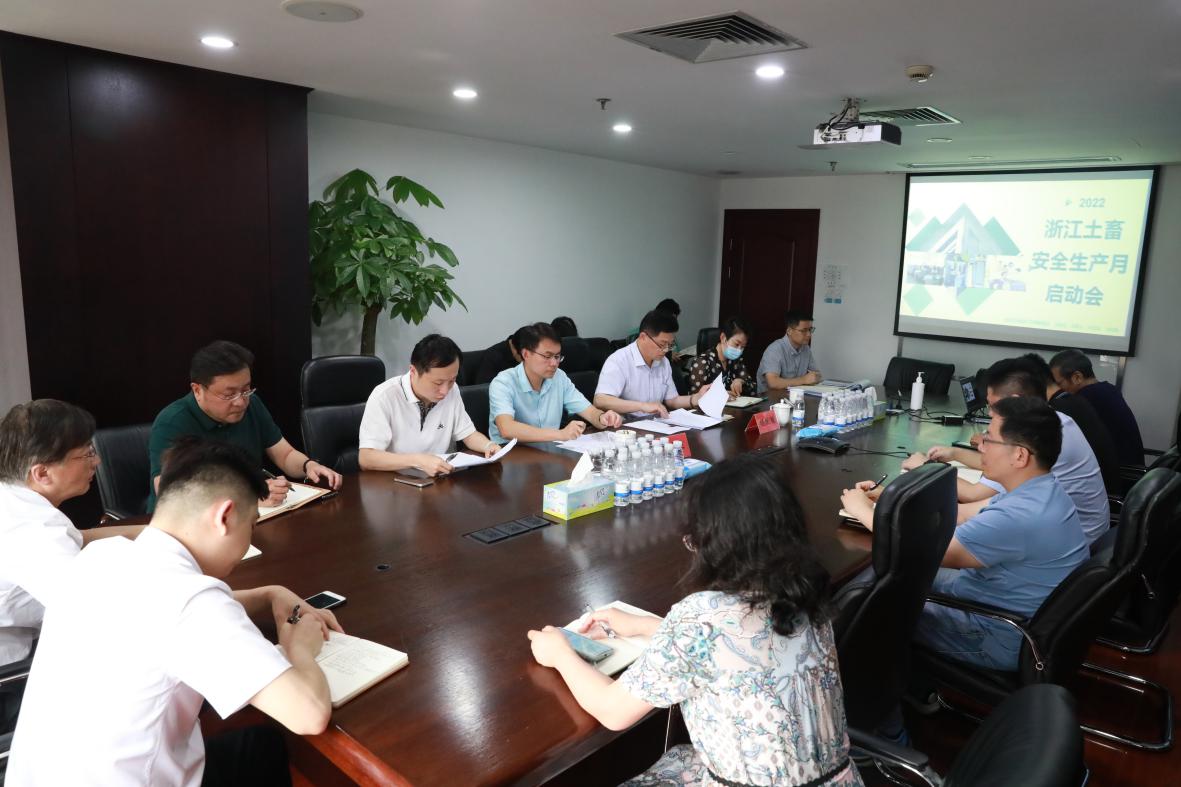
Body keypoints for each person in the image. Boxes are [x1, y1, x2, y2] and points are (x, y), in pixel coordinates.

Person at [6, 439, 339, 787]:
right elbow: (308, 714)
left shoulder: (101, 557)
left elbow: (162, 612)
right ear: (224, 516)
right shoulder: (192, 602)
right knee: (270, 747)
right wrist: (299, 647)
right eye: (251, 526)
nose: (246, 544)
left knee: (259, 746)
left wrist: (270, 594)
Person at [528, 454, 861, 786]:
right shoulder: (807, 592)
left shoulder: (701, 619)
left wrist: (560, 653)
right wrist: (645, 627)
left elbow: (612, 711)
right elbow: (744, 649)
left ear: (716, 546)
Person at [842, 397, 1088, 672]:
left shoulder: (1020, 516)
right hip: (990, 599)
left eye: (989, 439)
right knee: (876, 582)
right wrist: (890, 500)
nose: (980, 445)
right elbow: (960, 514)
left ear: (1019, 455)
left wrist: (862, 511)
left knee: (867, 612)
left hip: (992, 634)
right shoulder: (1039, 490)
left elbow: (923, 551)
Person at [0, 400, 144, 730]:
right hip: (12, 684)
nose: (97, 460)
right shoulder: (32, 532)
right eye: (86, 454)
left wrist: (163, 531)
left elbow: (78, 537)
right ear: (42, 473)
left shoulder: (13, 497)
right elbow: (93, 611)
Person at [906, 358, 1110, 543]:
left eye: (993, 405)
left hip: (1068, 539)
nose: (990, 413)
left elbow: (973, 494)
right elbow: (996, 468)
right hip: (1071, 534)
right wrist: (955, 453)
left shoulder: (1038, 436)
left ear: (1015, 400)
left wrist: (926, 468)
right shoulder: (1051, 422)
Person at [148, 341, 342, 512]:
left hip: (246, 519)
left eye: (246, 390)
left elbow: (285, 455)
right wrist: (247, 498)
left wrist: (309, 466)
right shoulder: (172, 422)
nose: (240, 402)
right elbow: (169, 492)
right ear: (198, 390)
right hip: (186, 523)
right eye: (229, 394)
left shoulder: (253, 405)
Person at [359, 334, 499, 477]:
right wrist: (418, 461)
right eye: (438, 383)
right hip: (398, 481)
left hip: (440, 479)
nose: (445, 391)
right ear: (413, 371)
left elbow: (468, 434)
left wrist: (488, 446)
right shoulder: (385, 396)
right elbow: (366, 458)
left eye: (452, 380)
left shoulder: (452, 390)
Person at [489, 323, 622, 443]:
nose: (554, 363)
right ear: (526, 354)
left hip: (548, 451)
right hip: (511, 454)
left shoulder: (559, 377)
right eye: (547, 356)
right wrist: (560, 434)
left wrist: (602, 417)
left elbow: (590, 412)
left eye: (557, 356)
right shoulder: (503, 382)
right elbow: (506, 429)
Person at [1020, 353, 1119, 493]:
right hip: (1109, 480)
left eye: (1059, 383)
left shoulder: (1060, 412)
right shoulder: (1088, 397)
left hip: (1104, 486)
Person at [594, 310, 710, 418]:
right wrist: (642, 406)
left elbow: (672, 400)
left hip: (656, 424)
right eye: (662, 344)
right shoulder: (619, 360)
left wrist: (695, 398)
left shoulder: (663, 362)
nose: (666, 350)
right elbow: (601, 400)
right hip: (626, 427)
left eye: (670, 345)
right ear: (643, 337)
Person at [1050, 349, 1145, 466]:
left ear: (1077, 377)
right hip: (1131, 468)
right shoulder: (1108, 389)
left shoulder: (1084, 400)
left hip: (1119, 471)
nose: (1057, 389)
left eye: (1058, 384)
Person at [685, 316, 755, 398]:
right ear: (723, 338)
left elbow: (753, 388)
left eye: (743, 347)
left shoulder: (735, 360)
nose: (739, 350)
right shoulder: (702, 362)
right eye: (736, 344)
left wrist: (741, 381)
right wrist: (720, 396)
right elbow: (695, 397)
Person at [757, 309, 821, 392]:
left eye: (810, 329)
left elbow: (817, 375)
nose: (809, 334)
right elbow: (773, 383)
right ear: (789, 331)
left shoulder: (806, 348)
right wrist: (803, 380)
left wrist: (814, 377)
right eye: (804, 330)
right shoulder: (775, 349)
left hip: (794, 396)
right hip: (770, 398)